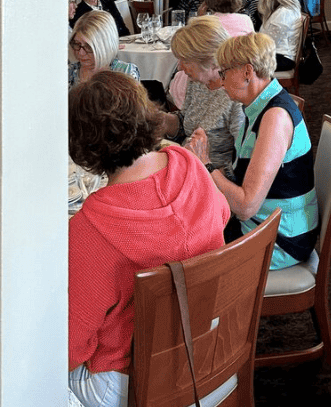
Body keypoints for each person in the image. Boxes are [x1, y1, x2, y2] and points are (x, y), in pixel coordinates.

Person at [68, 71, 230, 407]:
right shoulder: (189, 164)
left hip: (140, 384)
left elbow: (70, 347)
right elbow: (224, 216)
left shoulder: (91, 227)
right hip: (214, 350)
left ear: (84, 148)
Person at [186, 32, 318, 269]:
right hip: (264, 224)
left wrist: (206, 165)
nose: (221, 80)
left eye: (224, 72)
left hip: (279, 240)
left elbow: (246, 206)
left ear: (248, 72)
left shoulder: (275, 117)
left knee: (185, 253)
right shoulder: (259, 105)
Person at [166, 16, 244, 174]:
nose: (180, 68)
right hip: (186, 166)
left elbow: (242, 165)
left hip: (213, 181)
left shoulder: (237, 97)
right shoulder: (197, 81)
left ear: (211, 61)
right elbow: (185, 123)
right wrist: (160, 119)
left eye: (185, 61)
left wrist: (205, 167)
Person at [68, 11, 140, 86]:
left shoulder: (125, 73)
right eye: (77, 44)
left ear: (105, 46)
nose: (81, 53)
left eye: (88, 47)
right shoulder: (68, 73)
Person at [258, 0, 304, 71]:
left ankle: (268, 86)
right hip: (280, 54)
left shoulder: (283, 13)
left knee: (243, 65)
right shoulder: (286, 7)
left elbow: (270, 43)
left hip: (283, 58)